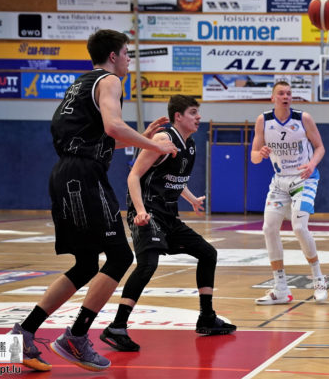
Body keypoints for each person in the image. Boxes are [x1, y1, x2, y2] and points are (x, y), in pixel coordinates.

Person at [9, 29, 178, 372]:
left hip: (66, 173)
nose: (129, 60)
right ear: (113, 56)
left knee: (86, 264)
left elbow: (101, 137)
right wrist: (155, 145)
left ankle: (23, 333)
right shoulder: (110, 80)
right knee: (120, 256)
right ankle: (76, 336)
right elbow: (114, 127)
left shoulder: (80, 84)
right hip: (83, 177)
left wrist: (140, 138)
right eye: (127, 53)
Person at [99, 94, 236, 352]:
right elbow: (133, 176)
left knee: (208, 253)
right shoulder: (163, 140)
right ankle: (117, 326)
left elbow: (173, 178)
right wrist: (140, 211)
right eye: (193, 112)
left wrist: (191, 199)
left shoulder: (189, 145)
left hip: (168, 215)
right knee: (148, 264)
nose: (199, 117)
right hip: (148, 212)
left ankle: (207, 317)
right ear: (178, 116)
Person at [250, 81, 327, 305]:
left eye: (289, 93)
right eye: (281, 93)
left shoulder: (303, 118)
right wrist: (261, 153)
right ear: (273, 98)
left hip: (304, 179)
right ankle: (281, 288)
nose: (286, 97)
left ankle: (319, 280)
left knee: (299, 227)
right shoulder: (263, 120)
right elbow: (254, 156)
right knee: (268, 228)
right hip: (279, 182)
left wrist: (312, 164)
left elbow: (320, 147)